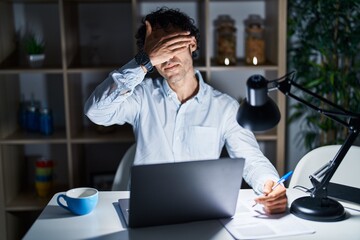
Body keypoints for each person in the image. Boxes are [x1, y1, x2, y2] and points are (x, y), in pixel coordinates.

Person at [84, 7, 287, 214]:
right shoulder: (141, 97)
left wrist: (270, 183)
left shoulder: (225, 107)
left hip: (201, 210)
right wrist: (143, 62)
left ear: (192, 43)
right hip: (148, 209)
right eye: (158, 52)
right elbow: (96, 112)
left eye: (172, 46)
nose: (167, 59)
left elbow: (251, 158)